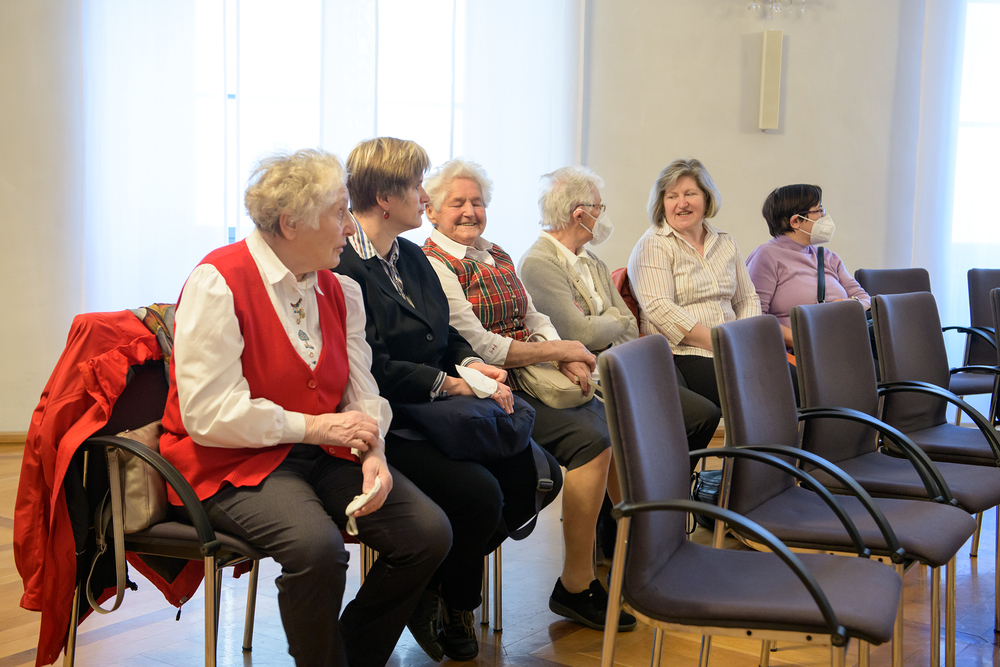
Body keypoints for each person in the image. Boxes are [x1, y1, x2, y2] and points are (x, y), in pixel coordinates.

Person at [159, 149, 451, 667]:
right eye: (339, 213)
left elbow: (361, 391)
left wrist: (374, 453)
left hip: (317, 454)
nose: (350, 227)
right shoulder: (219, 280)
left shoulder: (339, 289)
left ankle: (349, 657)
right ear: (291, 224)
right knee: (317, 551)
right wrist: (317, 427)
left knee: (428, 533)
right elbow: (208, 414)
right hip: (231, 462)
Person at [333, 137, 563, 662]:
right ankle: (458, 601)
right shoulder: (343, 265)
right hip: (392, 418)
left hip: (442, 412)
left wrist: (471, 364)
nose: (425, 196)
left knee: (538, 476)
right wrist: (449, 383)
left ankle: (434, 585)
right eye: (418, 186)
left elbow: (448, 336)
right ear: (385, 199)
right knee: (479, 495)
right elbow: (372, 365)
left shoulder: (411, 256)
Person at [420, 158, 637, 633]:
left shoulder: (495, 252)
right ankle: (576, 584)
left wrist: (564, 356)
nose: (470, 211)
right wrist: (562, 350)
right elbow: (479, 343)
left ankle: (634, 558)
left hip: (535, 373)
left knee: (617, 428)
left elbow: (533, 315)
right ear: (431, 211)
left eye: (477, 201)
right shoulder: (431, 263)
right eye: (457, 203)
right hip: (489, 385)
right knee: (593, 443)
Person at [518, 166, 721, 457]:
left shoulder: (592, 260)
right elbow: (580, 333)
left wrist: (607, 324)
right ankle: (655, 481)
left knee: (703, 414)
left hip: (622, 366)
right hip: (592, 378)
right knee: (690, 418)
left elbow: (629, 324)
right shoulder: (539, 263)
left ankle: (666, 482)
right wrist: (613, 319)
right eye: (599, 207)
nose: (602, 213)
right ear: (579, 214)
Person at [627, 158, 761, 407]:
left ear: (707, 198)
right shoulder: (653, 244)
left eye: (690, 194)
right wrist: (722, 343)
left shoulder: (726, 242)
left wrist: (744, 339)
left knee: (800, 385)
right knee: (761, 392)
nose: (682, 203)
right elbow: (660, 308)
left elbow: (747, 298)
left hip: (735, 348)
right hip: (684, 355)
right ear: (662, 203)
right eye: (672, 196)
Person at [746, 184, 870, 349]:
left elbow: (865, 299)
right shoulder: (766, 255)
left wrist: (850, 303)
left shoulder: (828, 257)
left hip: (842, 346)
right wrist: (807, 341)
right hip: (799, 353)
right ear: (795, 221)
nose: (824, 216)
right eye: (819, 210)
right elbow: (755, 318)